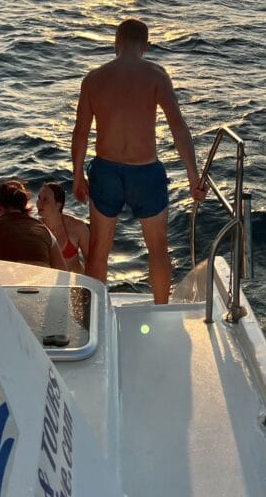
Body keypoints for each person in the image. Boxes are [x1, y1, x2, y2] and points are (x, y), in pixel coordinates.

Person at [71, 18, 206, 304]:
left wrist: (77, 175)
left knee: (98, 250)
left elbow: (80, 132)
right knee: (157, 249)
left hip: (106, 171)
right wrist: (193, 176)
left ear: (116, 42)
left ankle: (96, 312)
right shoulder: (156, 75)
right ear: (145, 45)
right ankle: (160, 309)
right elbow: (178, 127)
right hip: (145, 171)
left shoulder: (93, 79)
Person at [0, 180, 67, 270]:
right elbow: (63, 271)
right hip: (40, 280)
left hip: (9, 280)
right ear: (24, 205)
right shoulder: (44, 230)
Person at [36, 181, 89, 274]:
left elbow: (91, 261)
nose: (39, 203)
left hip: (74, 284)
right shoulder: (35, 228)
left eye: (45, 200)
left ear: (58, 205)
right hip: (48, 284)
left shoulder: (77, 227)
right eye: (39, 198)